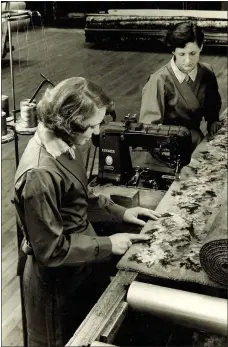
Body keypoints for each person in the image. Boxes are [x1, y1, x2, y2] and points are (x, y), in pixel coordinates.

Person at [14, 77, 160, 347]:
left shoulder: (64, 145)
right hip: (54, 284)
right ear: (67, 123)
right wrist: (108, 244)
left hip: (79, 266)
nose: (95, 134)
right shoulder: (39, 174)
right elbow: (51, 250)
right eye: (92, 126)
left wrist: (121, 213)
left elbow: (80, 195)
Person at [139, 21, 222, 150]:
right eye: (182, 54)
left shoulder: (207, 71)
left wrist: (213, 121)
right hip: (165, 148)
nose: (188, 61)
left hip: (195, 140)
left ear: (201, 47)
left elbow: (213, 105)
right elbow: (149, 128)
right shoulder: (159, 80)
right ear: (173, 51)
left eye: (193, 53)